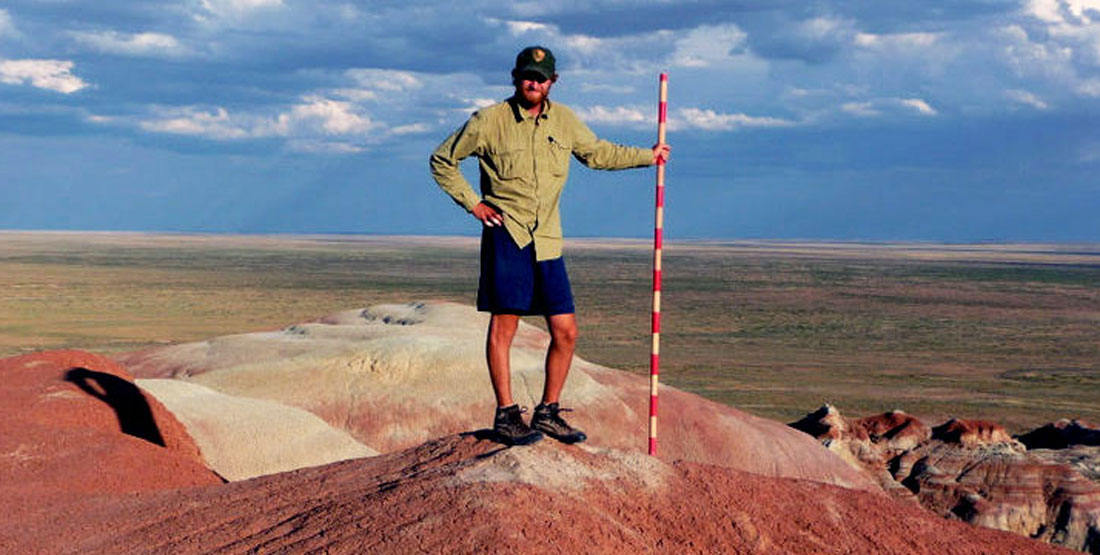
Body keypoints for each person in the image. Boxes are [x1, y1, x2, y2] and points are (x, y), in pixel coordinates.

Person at [430, 45, 670, 446]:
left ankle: (547, 412)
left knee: (566, 330)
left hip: (547, 239)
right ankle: (507, 414)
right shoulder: (488, 121)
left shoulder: (565, 120)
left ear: (552, 82)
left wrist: (648, 156)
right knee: (504, 328)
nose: (534, 82)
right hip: (509, 234)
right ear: (515, 77)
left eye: (541, 77)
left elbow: (598, 154)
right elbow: (442, 160)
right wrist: (472, 202)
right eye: (527, 75)